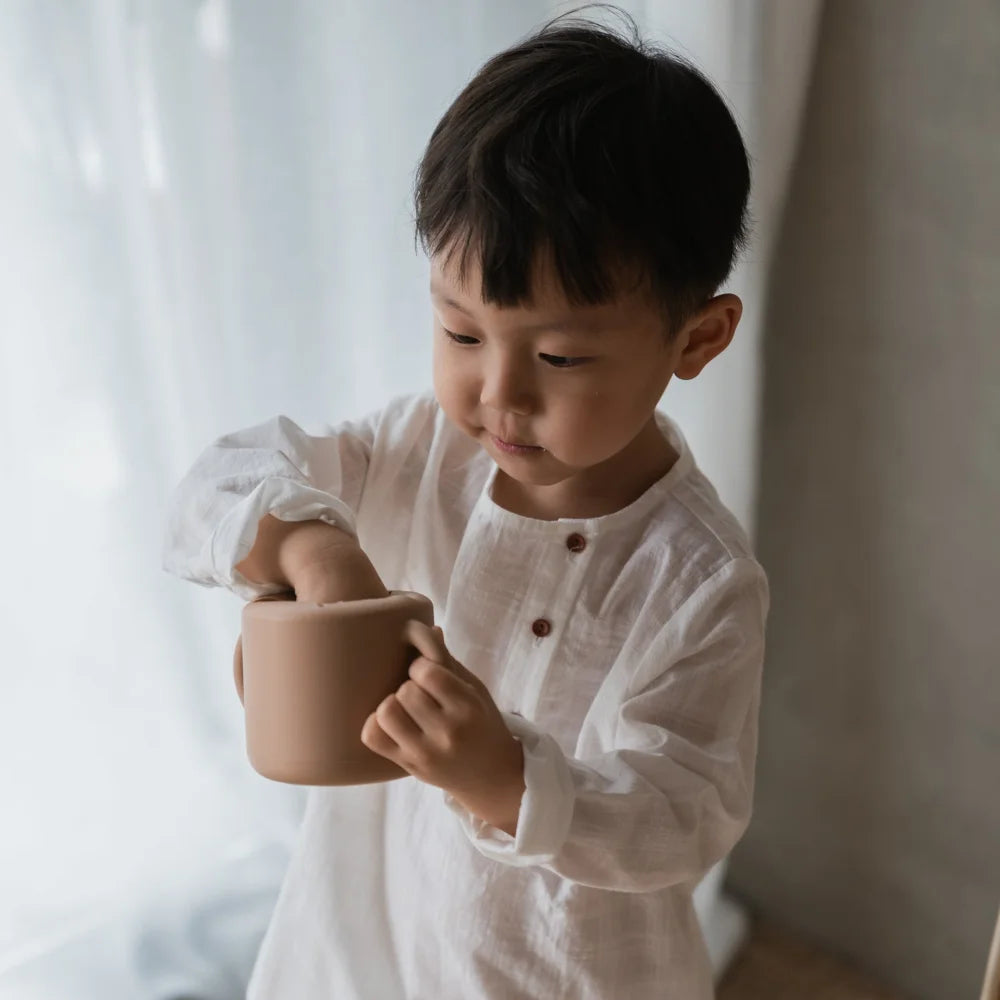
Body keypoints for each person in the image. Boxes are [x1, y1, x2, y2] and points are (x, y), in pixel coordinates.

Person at [162, 11, 769, 999]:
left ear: (696, 340)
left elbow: (686, 811)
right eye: (459, 331)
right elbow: (217, 484)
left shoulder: (696, 578)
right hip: (365, 944)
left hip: (567, 972)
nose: (498, 394)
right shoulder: (417, 450)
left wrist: (508, 777)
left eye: (560, 357)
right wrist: (319, 558)